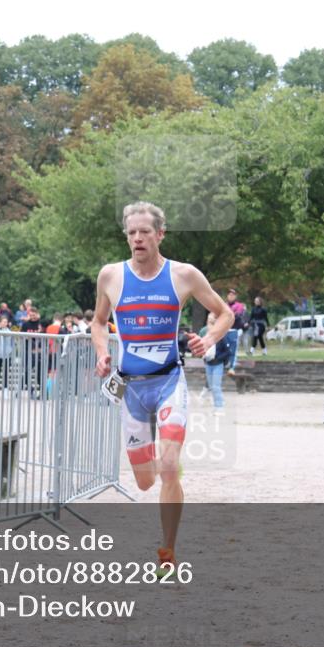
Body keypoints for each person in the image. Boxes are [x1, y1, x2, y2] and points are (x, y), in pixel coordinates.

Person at [92, 201, 233, 577]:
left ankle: (168, 550)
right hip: (132, 390)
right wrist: (103, 353)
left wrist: (209, 339)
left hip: (169, 381)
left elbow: (226, 313)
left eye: (144, 232)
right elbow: (98, 322)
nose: (137, 238)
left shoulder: (183, 275)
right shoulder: (111, 276)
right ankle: (159, 466)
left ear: (160, 234)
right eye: (131, 232)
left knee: (169, 466)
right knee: (143, 481)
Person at [201, 313, 233, 415]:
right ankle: (216, 405)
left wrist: (218, 358)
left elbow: (227, 352)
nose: (209, 323)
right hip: (208, 364)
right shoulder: (205, 334)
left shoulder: (221, 336)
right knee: (211, 386)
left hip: (217, 364)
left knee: (216, 386)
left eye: (211, 321)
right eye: (208, 320)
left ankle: (219, 407)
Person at [0, 315, 15, 391]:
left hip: (6, 354)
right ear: (0, 322)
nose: (6, 323)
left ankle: (5, 387)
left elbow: (12, 342)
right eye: (4, 322)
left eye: (6, 322)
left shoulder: (9, 331)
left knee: (6, 371)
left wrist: (10, 350)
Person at [225, 289, 245, 373]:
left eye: (232, 295)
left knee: (233, 349)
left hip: (234, 329)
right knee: (225, 348)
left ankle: (232, 366)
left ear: (235, 296)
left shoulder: (239, 306)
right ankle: (226, 363)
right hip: (225, 330)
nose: (230, 296)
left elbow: (237, 316)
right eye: (229, 295)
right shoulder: (224, 305)